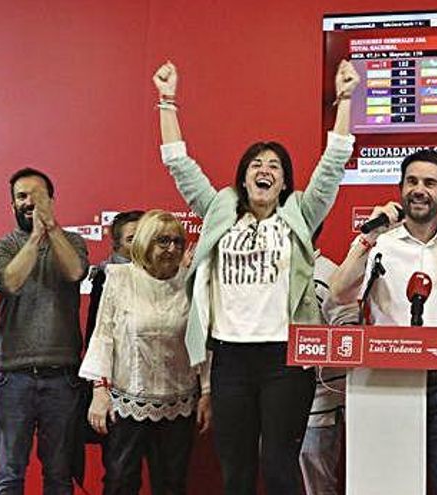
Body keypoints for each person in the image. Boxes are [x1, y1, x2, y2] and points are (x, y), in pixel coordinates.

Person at [152, 58, 359, 495]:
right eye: (255, 165)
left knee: (280, 469)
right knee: (237, 473)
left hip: (286, 358)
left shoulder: (300, 214)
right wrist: (166, 101)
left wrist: (344, 99)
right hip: (231, 360)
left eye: (274, 166)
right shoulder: (218, 213)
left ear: (283, 182)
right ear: (244, 178)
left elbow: (334, 163)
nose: (264, 170)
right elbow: (180, 166)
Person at [329, 149, 437, 495]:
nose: (419, 189)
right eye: (412, 182)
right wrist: (368, 237)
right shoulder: (379, 244)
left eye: (429, 183)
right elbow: (339, 292)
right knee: (389, 486)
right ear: (400, 188)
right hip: (386, 380)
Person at [80, 210, 210, 495]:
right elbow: (102, 337)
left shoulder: (192, 282)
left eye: (177, 241)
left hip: (178, 401)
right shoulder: (118, 278)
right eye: (163, 240)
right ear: (145, 242)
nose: (172, 248)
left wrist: (207, 392)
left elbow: (203, 343)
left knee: (172, 485)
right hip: (127, 402)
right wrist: (99, 391)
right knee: (120, 483)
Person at [0, 168, 89, 495]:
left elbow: (74, 271)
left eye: (38, 195)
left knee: (59, 473)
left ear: (52, 200)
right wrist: (34, 237)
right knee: (9, 472)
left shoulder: (72, 241)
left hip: (62, 374)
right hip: (13, 376)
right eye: (21, 196)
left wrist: (51, 229)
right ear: (12, 206)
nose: (29, 202)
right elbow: (10, 282)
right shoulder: (3, 246)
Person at [299, 226, 359, 495]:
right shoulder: (269, 275)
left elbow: (350, 337)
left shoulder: (327, 275)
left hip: (319, 406)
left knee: (317, 486)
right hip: (278, 403)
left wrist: (311, 346)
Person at [85, 210, 144, 344]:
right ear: (117, 245)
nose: (139, 243)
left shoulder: (163, 274)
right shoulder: (105, 275)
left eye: (144, 237)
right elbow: (96, 330)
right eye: (131, 239)